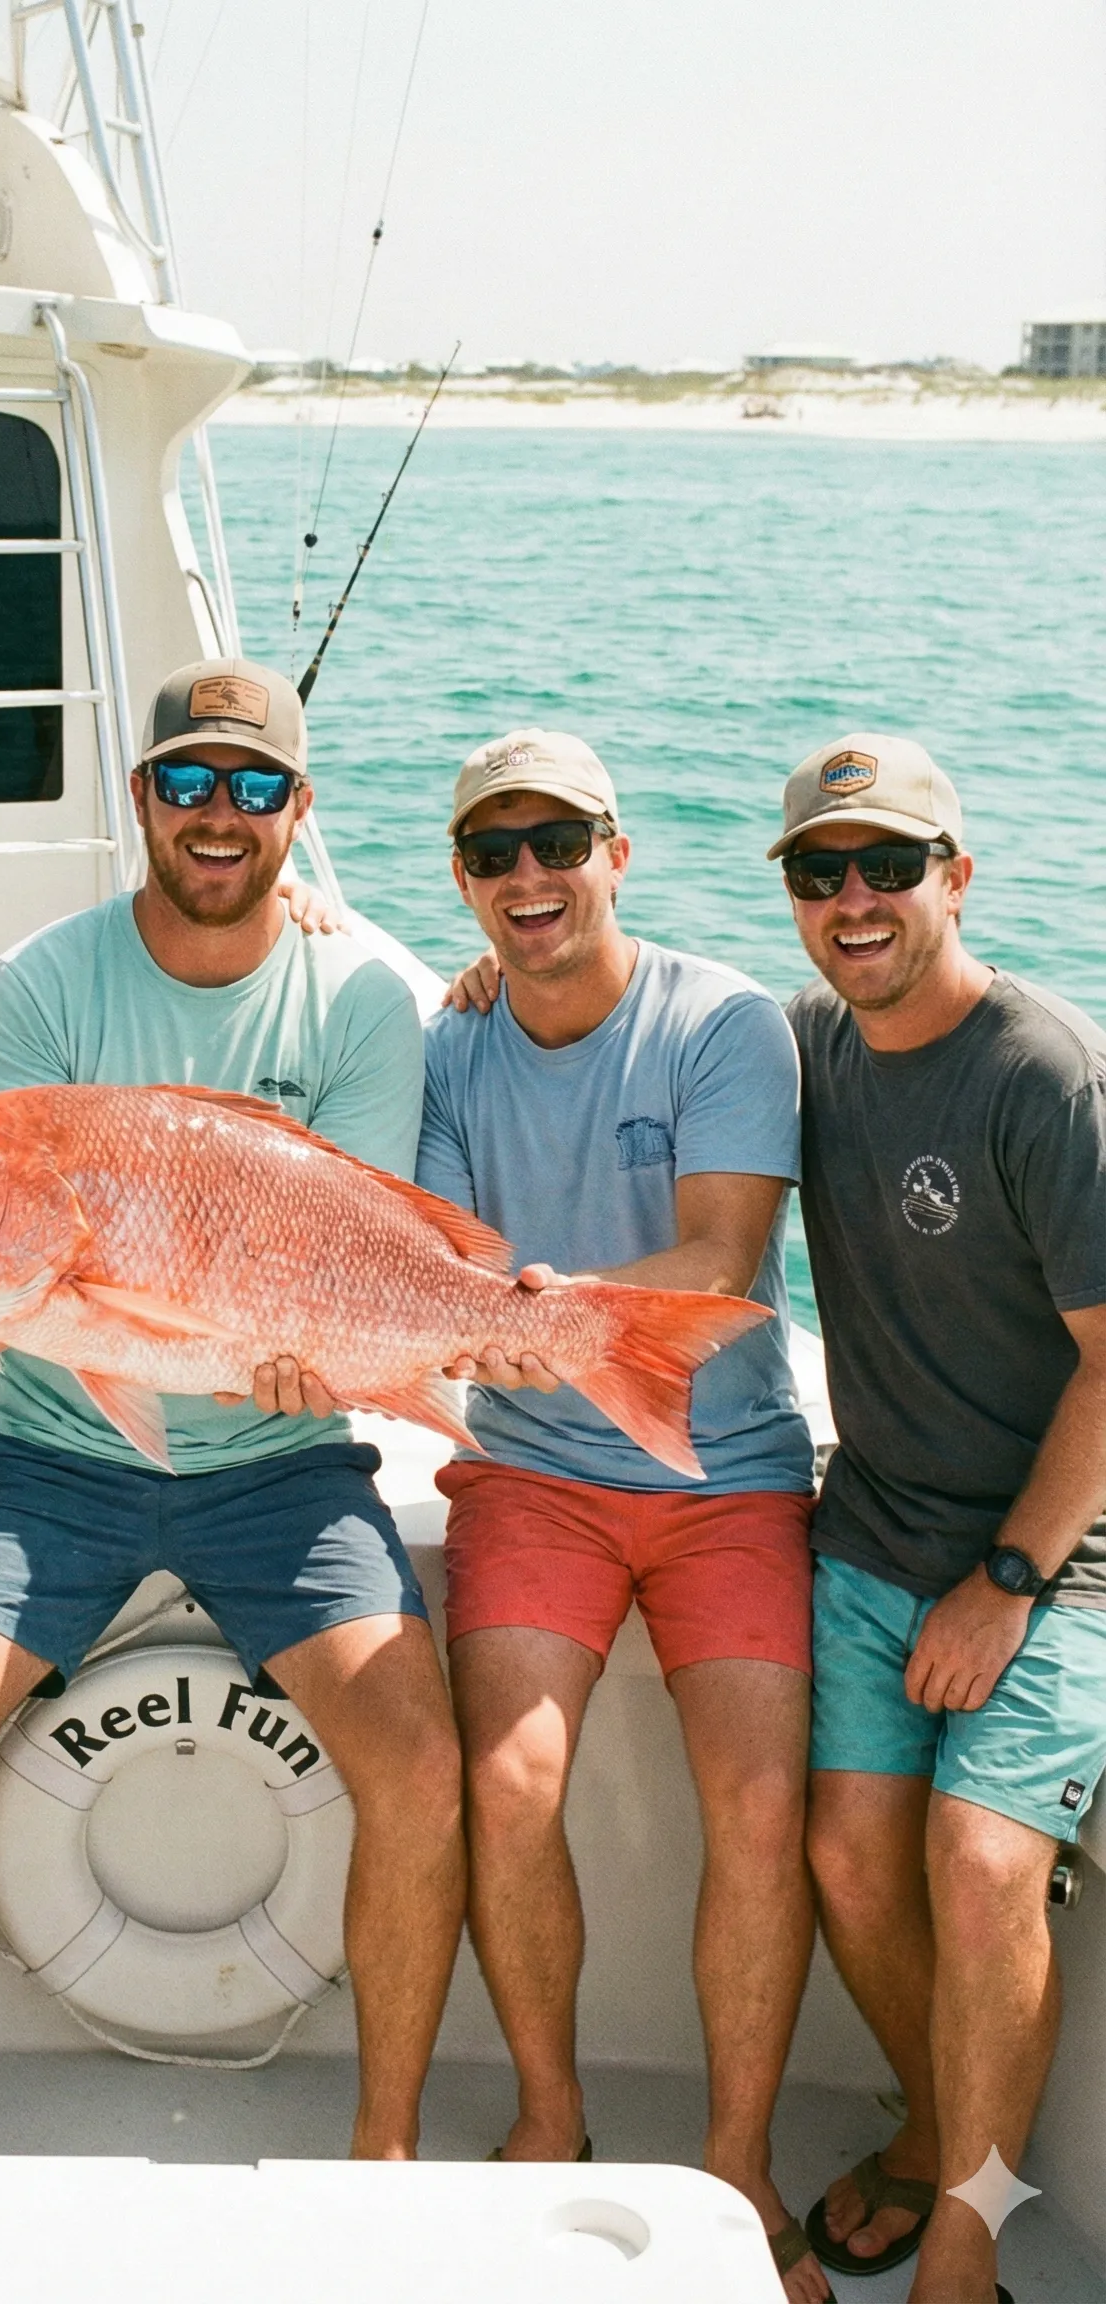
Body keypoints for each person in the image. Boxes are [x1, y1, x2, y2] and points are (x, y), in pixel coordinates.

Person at [0, 656, 466, 2161]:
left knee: (424, 1770)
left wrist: (348, 1353)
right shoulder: (46, 984)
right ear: (142, 802)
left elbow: (358, 1237)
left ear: (297, 813)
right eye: (187, 783)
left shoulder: (364, 996)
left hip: (287, 1466)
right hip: (54, 1460)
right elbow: (6, 1248)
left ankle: (383, 2157)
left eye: (253, 787)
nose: (218, 815)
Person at [419, 730, 825, 2300]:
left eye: (559, 843)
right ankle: (550, 2116)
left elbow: (720, 1260)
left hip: (726, 1481)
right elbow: (439, 1277)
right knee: (508, 1788)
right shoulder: (448, 1044)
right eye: (495, 854)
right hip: (534, 1472)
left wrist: (525, 1307)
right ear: (461, 883)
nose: (530, 877)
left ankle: (734, 2163)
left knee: (766, 1808)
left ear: (617, 853)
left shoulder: (721, 1020)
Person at [773, 736, 1106, 2304]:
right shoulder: (807, 1048)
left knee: (977, 1861)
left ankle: (966, 2222)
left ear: (955, 878)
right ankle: (935, 2127)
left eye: (890, 866)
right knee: (845, 1854)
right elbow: (628, 1012)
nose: (855, 899)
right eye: (821, 871)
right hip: (873, 1531)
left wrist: (1011, 1581)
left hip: (1063, 1548)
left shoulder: (1045, 1074)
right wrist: (485, 984)